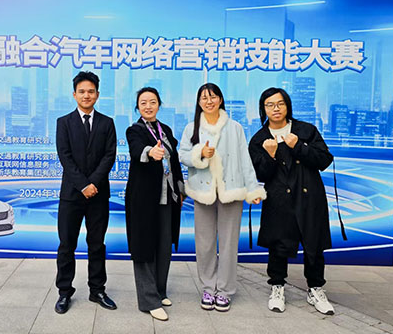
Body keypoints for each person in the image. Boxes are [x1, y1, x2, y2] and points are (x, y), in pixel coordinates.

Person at [249, 87, 339, 315]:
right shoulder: (259, 139)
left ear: (287, 105)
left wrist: (298, 146)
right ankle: (277, 287)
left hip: (310, 197)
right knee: (278, 245)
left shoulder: (305, 130)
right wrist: (270, 155)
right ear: (263, 109)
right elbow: (261, 175)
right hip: (279, 199)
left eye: (280, 103)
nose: (275, 108)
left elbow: (325, 160)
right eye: (270, 105)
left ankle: (315, 288)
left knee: (314, 245)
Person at [179, 83, 265, 312]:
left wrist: (253, 189)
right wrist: (200, 153)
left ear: (220, 99)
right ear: (199, 102)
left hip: (231, 191)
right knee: (204, 244)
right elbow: (183, 156)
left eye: (213, 97)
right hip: (203, 192)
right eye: (204, 98)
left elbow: (245, 160)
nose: (209, 101)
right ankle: (208, 288)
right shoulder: (191, 128)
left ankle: (225, 290)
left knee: (228, 244)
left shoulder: (235, 127)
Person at [54, 71, 117, 314]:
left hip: (98, 195)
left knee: (97, 244)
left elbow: (109, 156)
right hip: (71, 195)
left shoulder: (107, 123)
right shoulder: (64, 123)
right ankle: (64, 292)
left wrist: (93, 184)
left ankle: (97, 290)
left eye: (91, 91)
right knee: (66, 245)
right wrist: (83, 185)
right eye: (82, 91)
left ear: (97, 94)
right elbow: (65, 157)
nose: (86, 95)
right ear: (74, 94)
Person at [124, 87, 185, 321]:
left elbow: (175, 161)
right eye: (143, 103)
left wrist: (180, 188)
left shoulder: (165, 130)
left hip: (167, 197)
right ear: (137, 107)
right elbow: (137, 150)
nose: (148, 106)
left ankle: (160, 291)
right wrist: (150, 152)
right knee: (144, 247)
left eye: (152, 102)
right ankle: (148, 300)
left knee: (163, 246)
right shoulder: (134, 130)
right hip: (144, 199)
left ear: (159, 104)